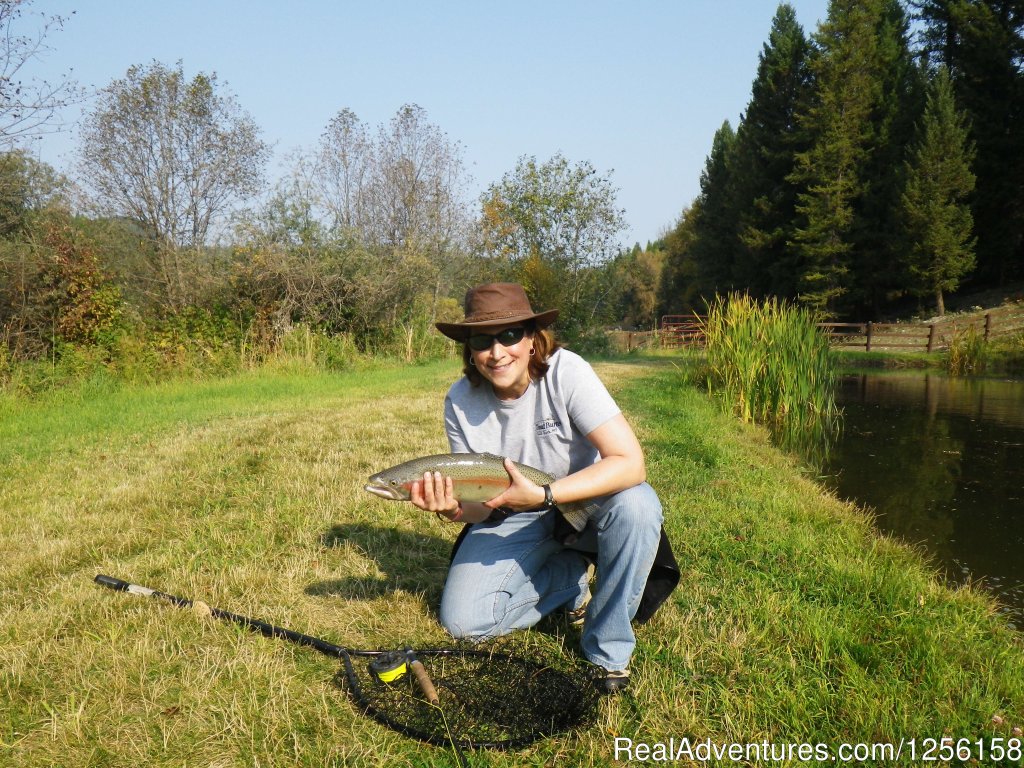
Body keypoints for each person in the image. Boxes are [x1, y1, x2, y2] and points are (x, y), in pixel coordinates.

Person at [410, 282, 677, 694]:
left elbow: (631, 463)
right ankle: (568, 579)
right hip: (510, 515)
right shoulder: (460, 401)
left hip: (583, 503)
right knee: (465, 626)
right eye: (482, 341)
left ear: (533, 340)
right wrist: (454, 510)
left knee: (638, 506)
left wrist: (546, 495)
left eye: (510, 335)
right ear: (470, 350)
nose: (497, 352)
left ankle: (607, 653)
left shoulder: (567, 372)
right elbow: (481, 507)